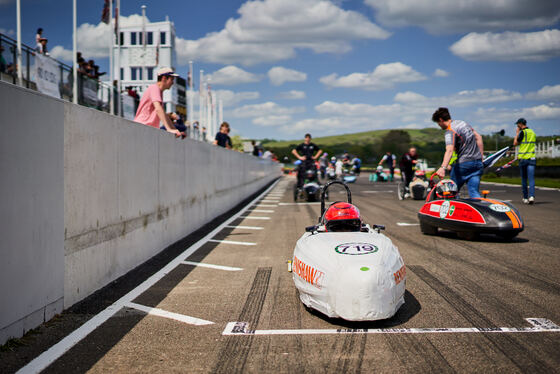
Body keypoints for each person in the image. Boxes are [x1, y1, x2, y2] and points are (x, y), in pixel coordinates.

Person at [432, 107, 484, 198]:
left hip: (464, 164)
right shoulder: (463, 123)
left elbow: (449, 150)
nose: (439, 125)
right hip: (477, 163)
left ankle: (454, 211)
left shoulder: (450, 131)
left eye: (438, 123)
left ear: (440, 120)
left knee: (452, 191)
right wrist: (481, 157)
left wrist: (442, 167)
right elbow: (478, 137)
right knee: (474, 192)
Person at [133, 67, 183, 137]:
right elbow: (158, 109)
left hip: (146, 128)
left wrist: (175, 130)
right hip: (142, 127)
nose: (172, 83)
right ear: (164, 78)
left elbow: (163, 113)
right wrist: (169, 129)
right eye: (171, 79)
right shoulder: (154, 88)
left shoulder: (159, 92)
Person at [513, 118, 536, 204]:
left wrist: (517, 133)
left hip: (523, 158)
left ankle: (525, 197)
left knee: (524, 179)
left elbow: (515, 143)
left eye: (517, 125)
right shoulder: (532, 132)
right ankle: (532, 196)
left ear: (520, 124)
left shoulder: (522, 132)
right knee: (531, 179)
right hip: (532, 158)